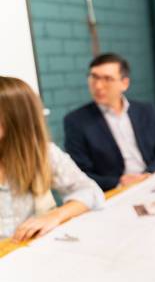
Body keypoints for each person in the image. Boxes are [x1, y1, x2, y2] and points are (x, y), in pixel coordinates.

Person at [0, 77, 104, 242]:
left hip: (25, 251)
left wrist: (55, 216)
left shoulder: (45, 153)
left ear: (16, 118)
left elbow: (92, 192)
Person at [64, 53, 155, 191]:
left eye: (107, 79)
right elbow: (79, 174)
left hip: (151, 180)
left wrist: (147, 174)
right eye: (94, 77)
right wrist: (119, 182)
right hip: (115, 190)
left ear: (124, 83)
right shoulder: (76, 121)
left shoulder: (146, 111)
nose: (98, 86)